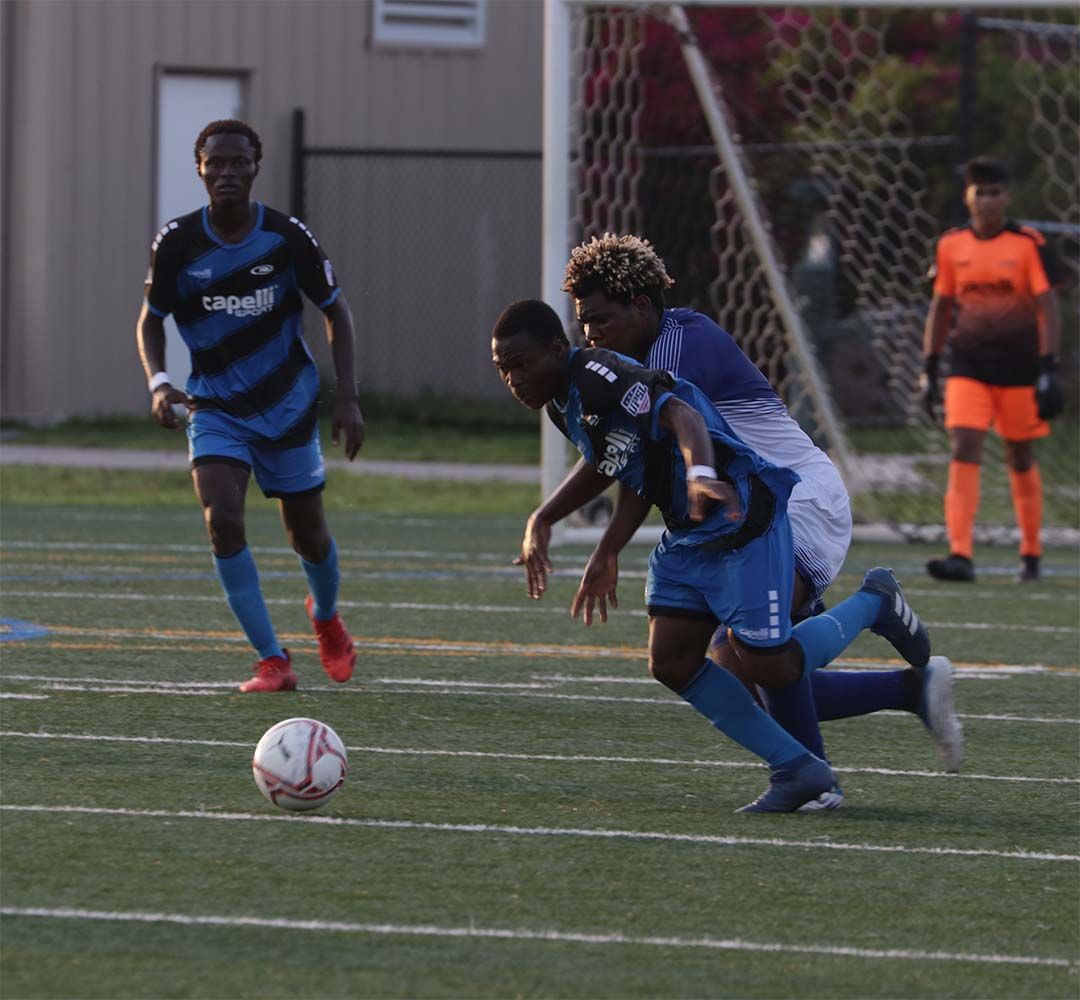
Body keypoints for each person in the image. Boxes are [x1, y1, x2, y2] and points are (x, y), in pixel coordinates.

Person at [518, 235, 963, 803]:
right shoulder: (609, 373)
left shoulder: (677, 347)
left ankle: (873, 610)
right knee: (742, 670)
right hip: (741, 510)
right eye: (584, 324)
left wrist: (600, 542)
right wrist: (598, 541)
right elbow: (639, 465)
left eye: (601, 320)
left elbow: (656, 445)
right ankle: (903, 698)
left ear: (642, 309)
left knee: (760, 657)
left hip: (794, 498)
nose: (592, 336)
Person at [136, 119, 362, 692]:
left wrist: (348, 398)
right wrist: (161, 382)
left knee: (308, 537)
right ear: (200, 169)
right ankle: (272, 660)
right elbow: (151, 321)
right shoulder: (178, 244)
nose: (228, 172)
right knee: (222, 520)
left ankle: (327, 618)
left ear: (256, 166)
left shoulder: (287, 238)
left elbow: (336, 311)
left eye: (240, 162)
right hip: (215, 408)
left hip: (287, 407)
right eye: (217, 163)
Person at [921, 155, 1064, 583]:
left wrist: (1048, 368)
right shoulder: (950, 246)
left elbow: (1048, 307)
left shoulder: (1027, 244)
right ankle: (960, 553)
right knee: (964, 444)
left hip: (1020, 368)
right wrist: (929, 367)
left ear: (1007, 196)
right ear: (967, 196)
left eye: (994, 192)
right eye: (979, 192)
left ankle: (1032, 553)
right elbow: (941, 307)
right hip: (968, 365)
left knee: (1019, 453)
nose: (986, 200)